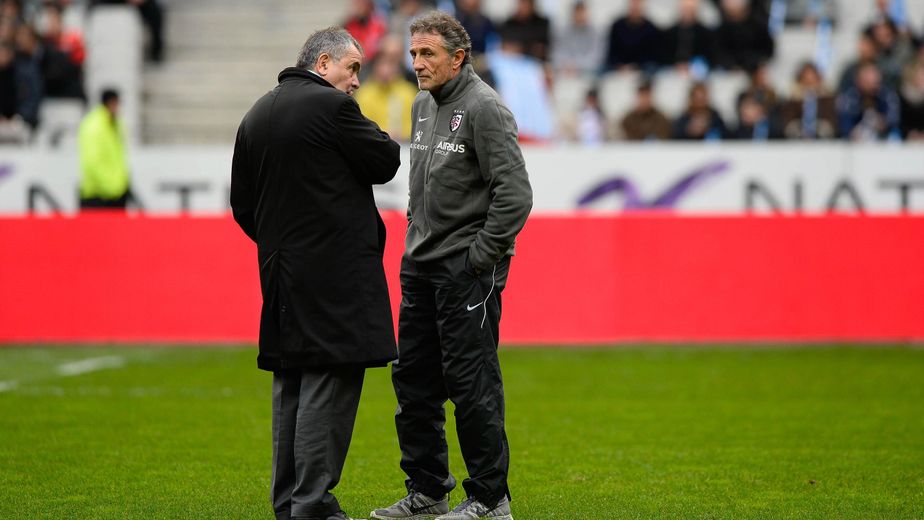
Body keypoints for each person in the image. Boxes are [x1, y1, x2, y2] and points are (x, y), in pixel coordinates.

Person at [230, 27, 401, 520]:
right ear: (323, 63)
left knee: (292, 381)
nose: (356, 81)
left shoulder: (256, 114)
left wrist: (284, 246)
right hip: (335, 277)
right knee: (331, 378)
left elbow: (243, 206)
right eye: (352, 68)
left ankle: (288, 503)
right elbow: (386, 159)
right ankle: (313, 503)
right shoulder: (332, 107)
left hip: (280, 272)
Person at [371, 11, 532, 520]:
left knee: (471, 385)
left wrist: (478, 258)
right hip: (419, 266)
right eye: (413, 53)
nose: (417, 63)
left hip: (465, 271)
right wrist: (414, 233)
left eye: (428, 54)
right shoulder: (421, 104)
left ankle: (490, 499)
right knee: (413, 383)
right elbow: (420, 186)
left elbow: (515, 195)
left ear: (458, 57)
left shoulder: (486, 108)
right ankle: (428, 491)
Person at [78, 89, 132, 209]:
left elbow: (118, 157)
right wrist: (111, 185)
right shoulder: (93, 125)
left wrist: (121, 184)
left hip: (116, 192)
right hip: (97, 193)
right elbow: (92, 161)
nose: (118, 107)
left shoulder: (116, 123)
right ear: (110, 102)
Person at [836, 61, 901, 141]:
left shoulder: (887, 96)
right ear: (858, 81)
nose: (872, 87)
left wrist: (883, 123)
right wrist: (852, 133)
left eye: (875, 82)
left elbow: (894, 120)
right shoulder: (849, 99)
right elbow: (845, 125)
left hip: (884, 140)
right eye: (867, 82)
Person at [604, 0, 662, 73]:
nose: (635, 6)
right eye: (633, 3)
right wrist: (620, 65)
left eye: (638, 3)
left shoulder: (650, 28)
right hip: (619, 66)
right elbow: (612, 52)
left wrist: (635, 66)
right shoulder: (617, 25)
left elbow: (652, 54)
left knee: (652, 68)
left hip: (642, 66)